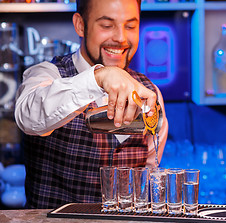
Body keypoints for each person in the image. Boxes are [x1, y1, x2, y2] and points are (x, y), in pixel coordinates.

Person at [14, 0, 168, 209]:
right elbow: (28, 118)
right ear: (80, 25)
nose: (121, 38)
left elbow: (149, 175)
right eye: (106, 25)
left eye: (130, 26)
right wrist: (97, 79)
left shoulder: (149, 92)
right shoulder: (47, 75)